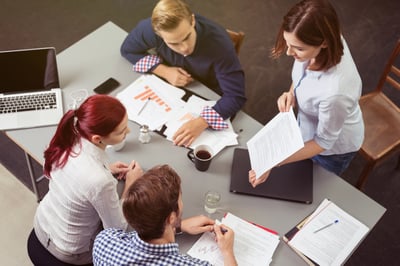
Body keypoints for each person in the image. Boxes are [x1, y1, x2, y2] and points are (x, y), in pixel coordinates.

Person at [249, 0, 364, 187]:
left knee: (310, 190)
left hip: (331, 150)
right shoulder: (322, 41)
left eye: (299, 48)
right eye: (288, 43)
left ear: (324, 43)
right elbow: (303, 77)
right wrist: (291, 93)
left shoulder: (335, 94)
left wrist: (273, 161)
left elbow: (323, 142)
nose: (288, 52)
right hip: (308, 127)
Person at [29, 94, 143, 265]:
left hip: (42, 225)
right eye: (121, 131)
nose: (129, 131)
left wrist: (107, 168)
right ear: (97, 139)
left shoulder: (69, 138)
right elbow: (118, 229)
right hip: (71, 252)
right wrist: (131, 184)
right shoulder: (100, 181)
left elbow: (74, 174)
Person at [120, 0, 246, 147]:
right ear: (158, 34)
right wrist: (164, 71)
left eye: (187, 37)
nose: (185, 48)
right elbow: (127, 50)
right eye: (173, 43)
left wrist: (201, 122)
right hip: (172, 89)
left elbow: (236, 97)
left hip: (210, 90)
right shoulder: (149, 29)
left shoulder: (220, 45)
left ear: (192, 20)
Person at [93, 164, 238, 266]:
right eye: (180, 198)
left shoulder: (104, 241)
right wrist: (227, 251)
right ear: (171, 217)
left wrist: (178, 225)